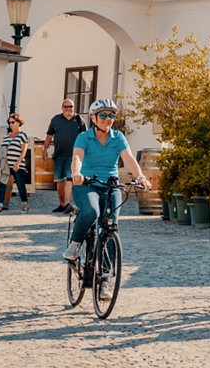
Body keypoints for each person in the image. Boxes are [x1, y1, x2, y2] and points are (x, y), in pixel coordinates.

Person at [62, 98, 150, 304]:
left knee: (111, 228)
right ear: (93, 118)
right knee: (91, 211)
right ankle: (75, 245)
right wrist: (76, 173)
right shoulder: (84, 137)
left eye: (111, 115)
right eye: (103, 115)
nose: (108, 119)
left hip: (110, 185)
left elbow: (128, 158)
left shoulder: (118, 137)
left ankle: (106, 281)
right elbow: (77, 157)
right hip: (86, 184)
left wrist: (140, 177)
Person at [45, 99, 86, 214]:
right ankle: (62, 204)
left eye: (71, 106)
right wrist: (45, 149)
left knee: (69, 179)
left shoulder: (79, 120)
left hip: (74, 156)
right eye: (66, 106)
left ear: (74, 107)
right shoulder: (56, 120)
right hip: (58, 154)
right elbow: (49, 135)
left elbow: (85, 136)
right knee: (59, 181)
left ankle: (68, 204)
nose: (68, 109)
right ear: (62, 107)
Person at [0, 113, 32, 213]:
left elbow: (24, 151)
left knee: (20, 185)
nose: (11, 124)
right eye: (9, 122)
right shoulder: (6, 136)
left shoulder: (22, 135)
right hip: (6, 165)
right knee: (1, 184)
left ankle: (25, 204)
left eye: (13, 122)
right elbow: (3, 150)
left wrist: (18, 163)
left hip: (17, 165)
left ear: (19, 123)